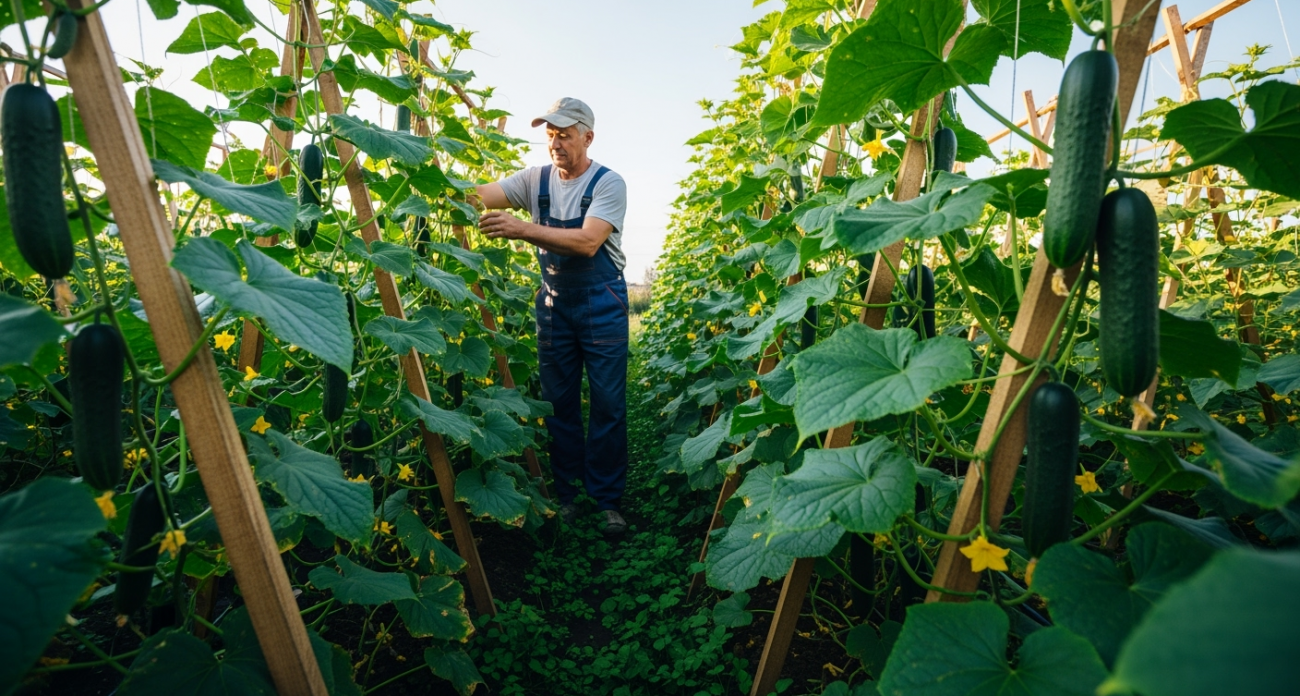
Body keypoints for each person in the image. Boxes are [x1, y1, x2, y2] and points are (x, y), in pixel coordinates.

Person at [474, 98, 630, 537]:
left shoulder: (608, 183)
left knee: (607, 403)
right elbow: (478, 196)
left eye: (565, 134)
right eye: (550, 134)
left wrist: (521, 228)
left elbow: (586, 242)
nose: (556, 142)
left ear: (588, 137)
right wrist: (437, 175)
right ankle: (566, 495)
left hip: (602, 300)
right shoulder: (534, 179)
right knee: (557, 402)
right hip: (554, 304)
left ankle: (605, 501)